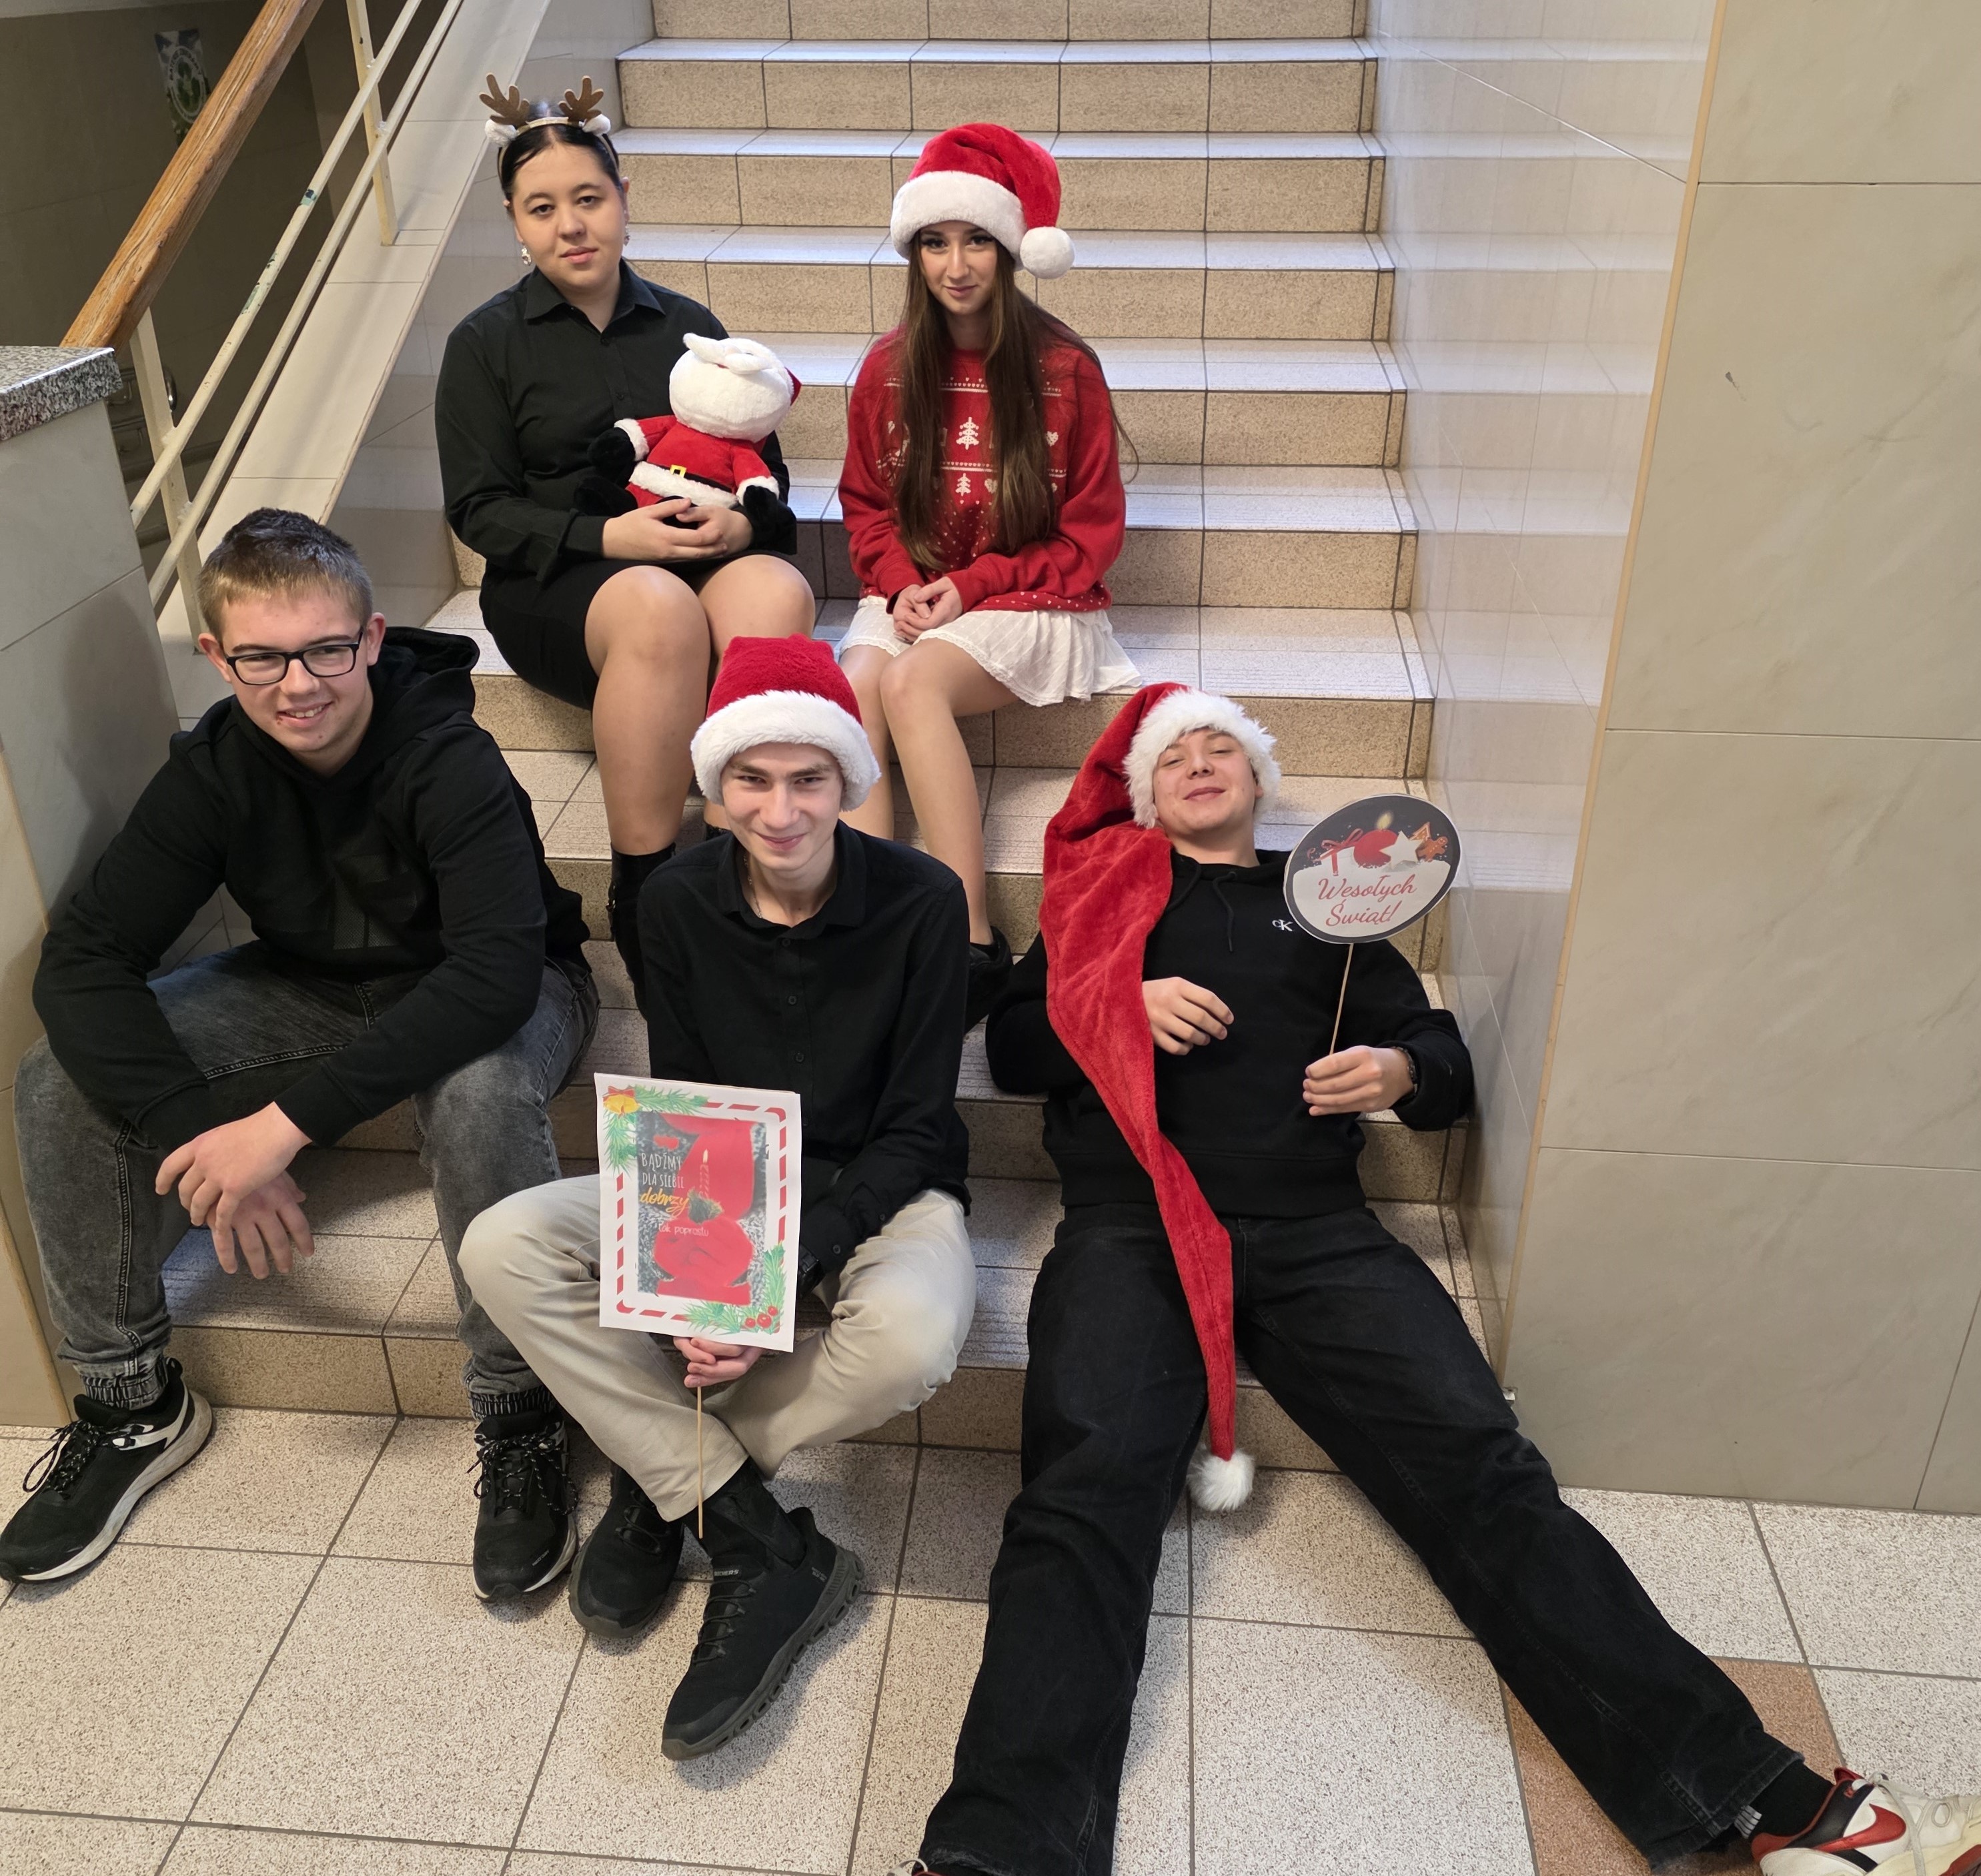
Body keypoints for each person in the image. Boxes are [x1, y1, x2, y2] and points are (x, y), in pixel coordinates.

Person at [753, 684, 1981, 1876]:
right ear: (1145, 793)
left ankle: (1800, 1821)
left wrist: (1399, 1065)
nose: (1201, 762)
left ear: (1260, 781)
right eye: (1175, 753)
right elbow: (1017, 1044)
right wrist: (1115, 1000)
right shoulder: (1106, 899)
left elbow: (1448, 1062)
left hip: (1318, 1236)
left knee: (1486, 1476)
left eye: (1224, 746)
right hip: (1133, 1227)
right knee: (1080, 1498)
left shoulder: (1336, 908)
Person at [0, 510, 596, 1600]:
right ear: (217, 656)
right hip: (311, 986)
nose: (299, 686)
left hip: (504, 980)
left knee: (477, 1088)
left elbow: (495, 973)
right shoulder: (214, 770)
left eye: (325, 650)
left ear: (371, 638)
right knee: (53, 1079)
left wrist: (279, 1131)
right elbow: (82, 960)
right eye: (263, 658)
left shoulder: (447, 755)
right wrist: (198, 1132)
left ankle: (521, 1411)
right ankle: (132, 1405)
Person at [461, 635, 976, 1760]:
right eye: (752, 778)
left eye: (809, 779)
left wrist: (780, 1278)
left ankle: (670, 1473)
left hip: (885, 1180)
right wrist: (709, 1287)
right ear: (716, 781)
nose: (780, 810)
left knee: (915, 1335)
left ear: (848, 779)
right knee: (501, 1241)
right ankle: (736, 1516)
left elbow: (917, 1124)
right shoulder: (677, 900)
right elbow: (687, 1109)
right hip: (732, 1173)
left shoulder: (927, 901)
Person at [435, 79, 816, 995]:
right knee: (656, 609)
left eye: (588, 198)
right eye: (542, 208)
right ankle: (645, 888)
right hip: (563, 581)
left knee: (777, 590)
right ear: (514, 222)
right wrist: (610, 538)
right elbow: (479, 509)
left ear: (623, 199)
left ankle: (745, 861)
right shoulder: (484, 343)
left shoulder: (689, 327)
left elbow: (764, 467)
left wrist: (741, 520)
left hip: (695, 551)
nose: (571, 226)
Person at [836, 123, 1136, 1021]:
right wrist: (900, 581)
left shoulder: (1065, 369)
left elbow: (1089, 537)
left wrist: (968, 586)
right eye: (935, 242)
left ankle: (968, 934)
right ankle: (870, 921)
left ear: (1011, 249)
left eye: (976, 240)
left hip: (1034, 593)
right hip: (919, 586)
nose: (956, 265)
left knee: (913, 683)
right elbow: (866, 505)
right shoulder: (887, 369)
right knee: (858, 681)